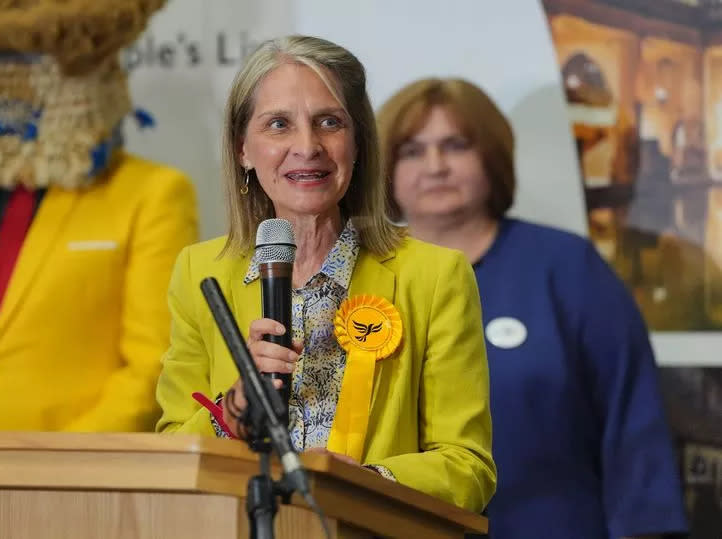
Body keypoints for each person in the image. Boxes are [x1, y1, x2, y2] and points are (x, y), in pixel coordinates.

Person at [155, 36, 496, 511]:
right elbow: (171, 455)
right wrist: (234, 406)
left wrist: (371, 483)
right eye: (278, 124)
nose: (307, 147)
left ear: (357, 143)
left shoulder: (435, 275)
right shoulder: (199, 272)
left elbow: (468, 467)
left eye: (329, 123)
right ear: (242, 150)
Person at [377, 77, 689, 538]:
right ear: (384, 167)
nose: (435, 166)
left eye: (456, 145)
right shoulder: (356, 279)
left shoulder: (566, 268)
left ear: (492, 156)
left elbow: (633, 429)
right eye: (412, 151)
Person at [0, 0, 198, 431]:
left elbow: (154, 364)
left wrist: (55, 465)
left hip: (83, 479)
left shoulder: (151, 194)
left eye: (34, 55)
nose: (13, 80)